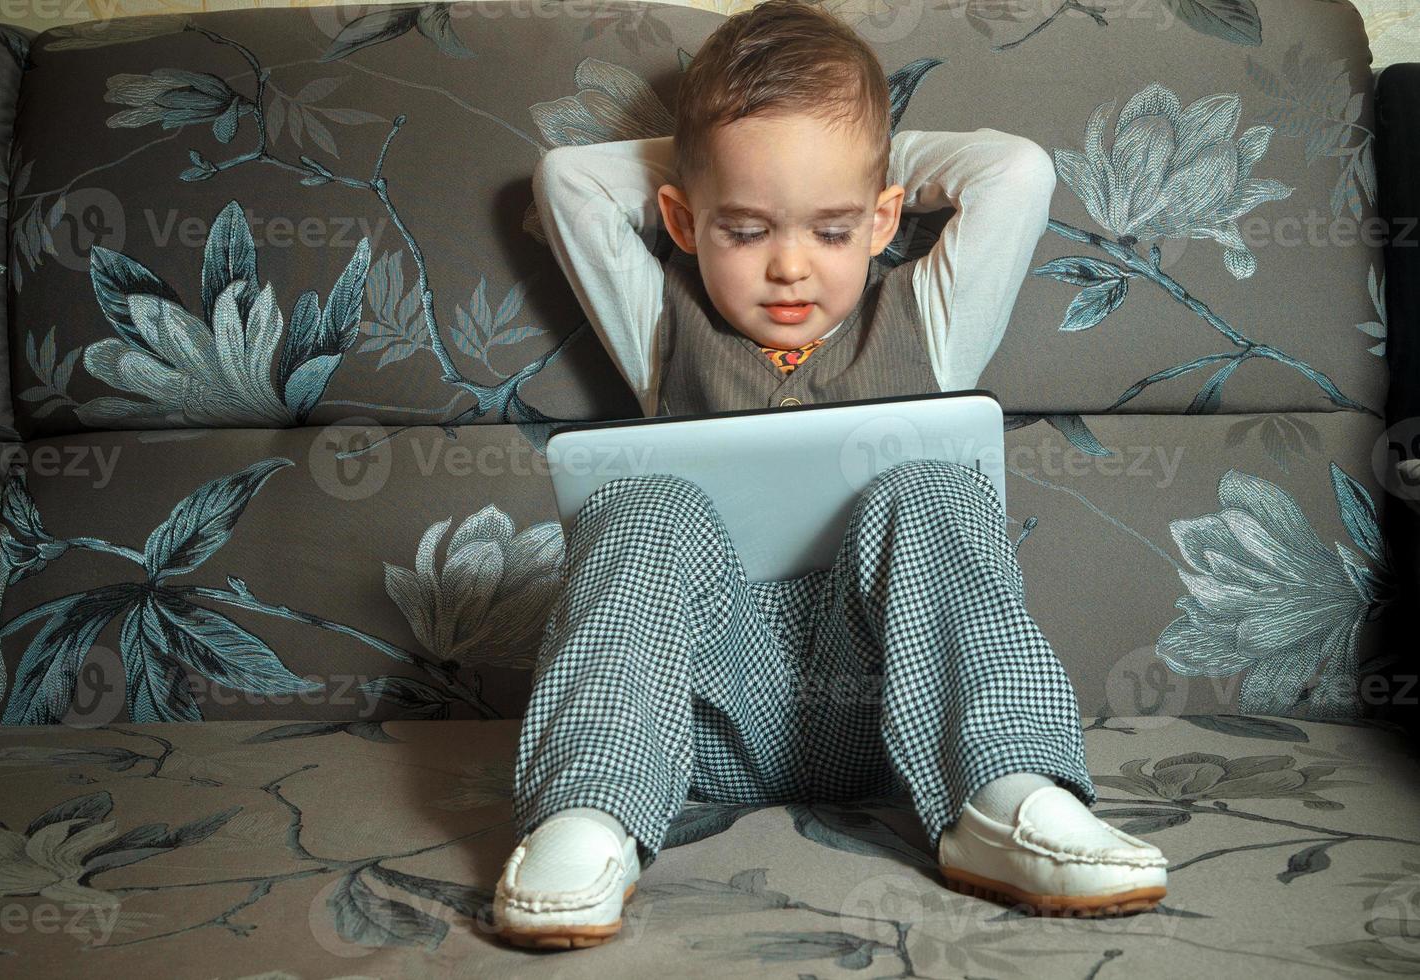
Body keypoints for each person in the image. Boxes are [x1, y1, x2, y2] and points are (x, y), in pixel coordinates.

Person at [492, 0, 1168, 950]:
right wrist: (713, 162)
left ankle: (1003, 795)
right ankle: (588, 814)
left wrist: (850, 153)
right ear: (682, 220)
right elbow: (570, 179)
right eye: (745, 230)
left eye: (834, 228)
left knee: (930, 490)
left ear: (886, 216)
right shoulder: (660, 327)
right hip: (698, 727)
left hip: (896, 719)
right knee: (646, 505)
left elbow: (1015, 171)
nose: (789, 268)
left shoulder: (930, 318)